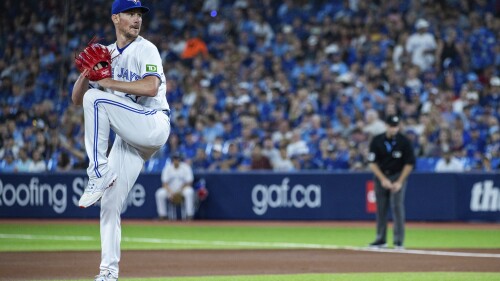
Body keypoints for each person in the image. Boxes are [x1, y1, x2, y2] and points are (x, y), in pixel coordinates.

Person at [71, 1, 171, 280]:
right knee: (110, 204)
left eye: (139, 14)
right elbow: (77, 99)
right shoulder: (107, 54)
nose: (137, 19)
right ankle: (108, 273)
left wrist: (107, 84)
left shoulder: (146, 48)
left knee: (97, 98)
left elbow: (152, 87)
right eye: (131, 13)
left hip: (152, 122)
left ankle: (98, 172)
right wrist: (86, 75)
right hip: (129, 137)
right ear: (116, 17)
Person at [367, 115, 415, 250]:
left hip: (398, 175)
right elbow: (372, 163)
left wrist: (399, 181)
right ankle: (380, 239)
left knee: (397, 207)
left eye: (396, 126)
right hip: (381, 176)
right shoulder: (377, 140)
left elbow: (409, 164)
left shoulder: (404, 141)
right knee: (381, 209)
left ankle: (399, 241)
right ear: (386, 126)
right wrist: (383, 179)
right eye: (391, 126)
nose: (394, 129)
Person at [155, 152, 195, 220]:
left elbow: (189, 182)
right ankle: (162, 215)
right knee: (159, 193)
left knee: (189, 192)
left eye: (177, 158)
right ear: (172, 159)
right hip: (170, 190)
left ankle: (189, 215)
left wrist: (179, 191)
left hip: (182, 190)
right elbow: (164, 183)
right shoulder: (167, 168)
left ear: (180, 159)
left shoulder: (186, 167)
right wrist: (171, 192)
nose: (176, 160)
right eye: (175, 159)